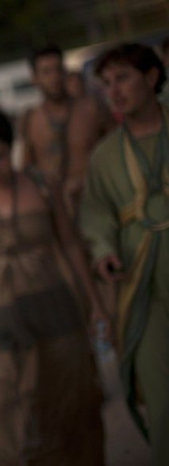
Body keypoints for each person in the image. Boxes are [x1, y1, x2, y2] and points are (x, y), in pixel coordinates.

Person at [0, 101, 106, 464]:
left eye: (1, 156)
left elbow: (70, 245)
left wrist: (96, 303)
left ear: (12, 147)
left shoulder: (42, 185)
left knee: (74, 403)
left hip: (58, 317)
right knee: (9, 413)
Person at [81, 42, 169, 465]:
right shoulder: (104, 156)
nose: (113, 90)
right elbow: (96, 217)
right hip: (142, 288)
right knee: (162, 396)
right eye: (106, 83)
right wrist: (103, 252)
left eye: (123, 78)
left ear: (151, 78)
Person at [20, 44, 114, 217]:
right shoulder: (31, 120)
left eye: (58, 69)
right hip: (60, 213)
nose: (54, 77)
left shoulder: (92, 108)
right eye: (46, 72)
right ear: (35, 78)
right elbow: (27, 171)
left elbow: (117, 152)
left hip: (101, 203)